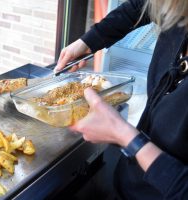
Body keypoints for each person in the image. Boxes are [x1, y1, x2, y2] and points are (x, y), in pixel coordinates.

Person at [54, 0, 188, 199]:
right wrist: (88, 42)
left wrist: (125, 136)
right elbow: (140, 6)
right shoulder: (177, 10)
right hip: (130, 179)